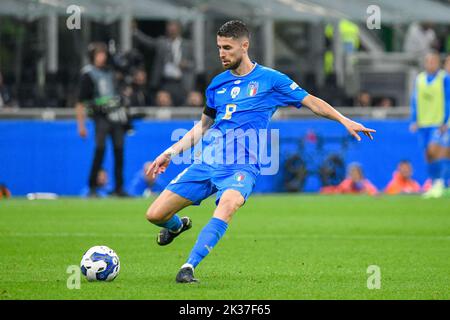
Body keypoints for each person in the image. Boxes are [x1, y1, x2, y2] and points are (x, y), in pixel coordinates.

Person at [144, 20, 375, 283]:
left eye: (228, 47)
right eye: (219, 47)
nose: (222, 53)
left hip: (242, 167)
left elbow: (311, 102)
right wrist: (170, 152)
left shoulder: (270, 80)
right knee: (155, 215)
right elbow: (203, 126)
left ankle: (189, 266)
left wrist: (344, 120)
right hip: (208, 162)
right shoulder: (217, 85)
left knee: (227, 205)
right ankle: (177, 226)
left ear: (245, 46)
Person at [75, 42, 130, 197]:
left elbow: (123, 72)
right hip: (100, 117)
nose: (102, 57)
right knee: (100, 150)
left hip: (116, 115)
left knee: (119, 150)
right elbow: (80, 102)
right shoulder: (88, 74)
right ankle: (92, 186)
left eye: (103, 54)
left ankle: (119, 188)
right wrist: (81, 125)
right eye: (99, 54)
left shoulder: (111, 71)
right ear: (92, 56)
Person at [410, 52, 450, 198]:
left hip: (437, 123)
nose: (431, 64)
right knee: (428, 155)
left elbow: (448, 99)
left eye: (434, 61)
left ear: (438, 63)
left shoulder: (443, 78)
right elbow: (414, 99)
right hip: (423, 123)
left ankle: (441, 183)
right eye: (429, 61)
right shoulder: (419, 79)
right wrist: (414, 120)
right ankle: (434, 184)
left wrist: (445, 121)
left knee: (435, 150)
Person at [133, 20, 195, 106]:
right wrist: (135, 31)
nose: (172, 29)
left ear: (179, 28)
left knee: (182, 104)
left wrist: (186, 64)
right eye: (170, 26)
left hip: (180, 82)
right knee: (163, 103)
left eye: (174, 26)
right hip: (165, 82)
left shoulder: (187, 45)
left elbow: (194, 64)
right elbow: (148, 43)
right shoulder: (162, 42)